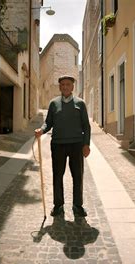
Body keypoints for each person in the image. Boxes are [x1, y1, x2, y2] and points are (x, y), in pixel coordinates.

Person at [35, 75, 91, 217]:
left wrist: (86, 144)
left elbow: (86, 126)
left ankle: (77, 205)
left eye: (68, 84)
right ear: (60, 87)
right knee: (57, 176)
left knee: (77, 176)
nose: (65, 87)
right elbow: (48, 122)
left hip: (76, 145)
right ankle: (58, 205)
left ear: (72, 87)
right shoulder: (54, 104)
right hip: (58, 145)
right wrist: (42, 130)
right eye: (62, 85)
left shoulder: (80, 104)